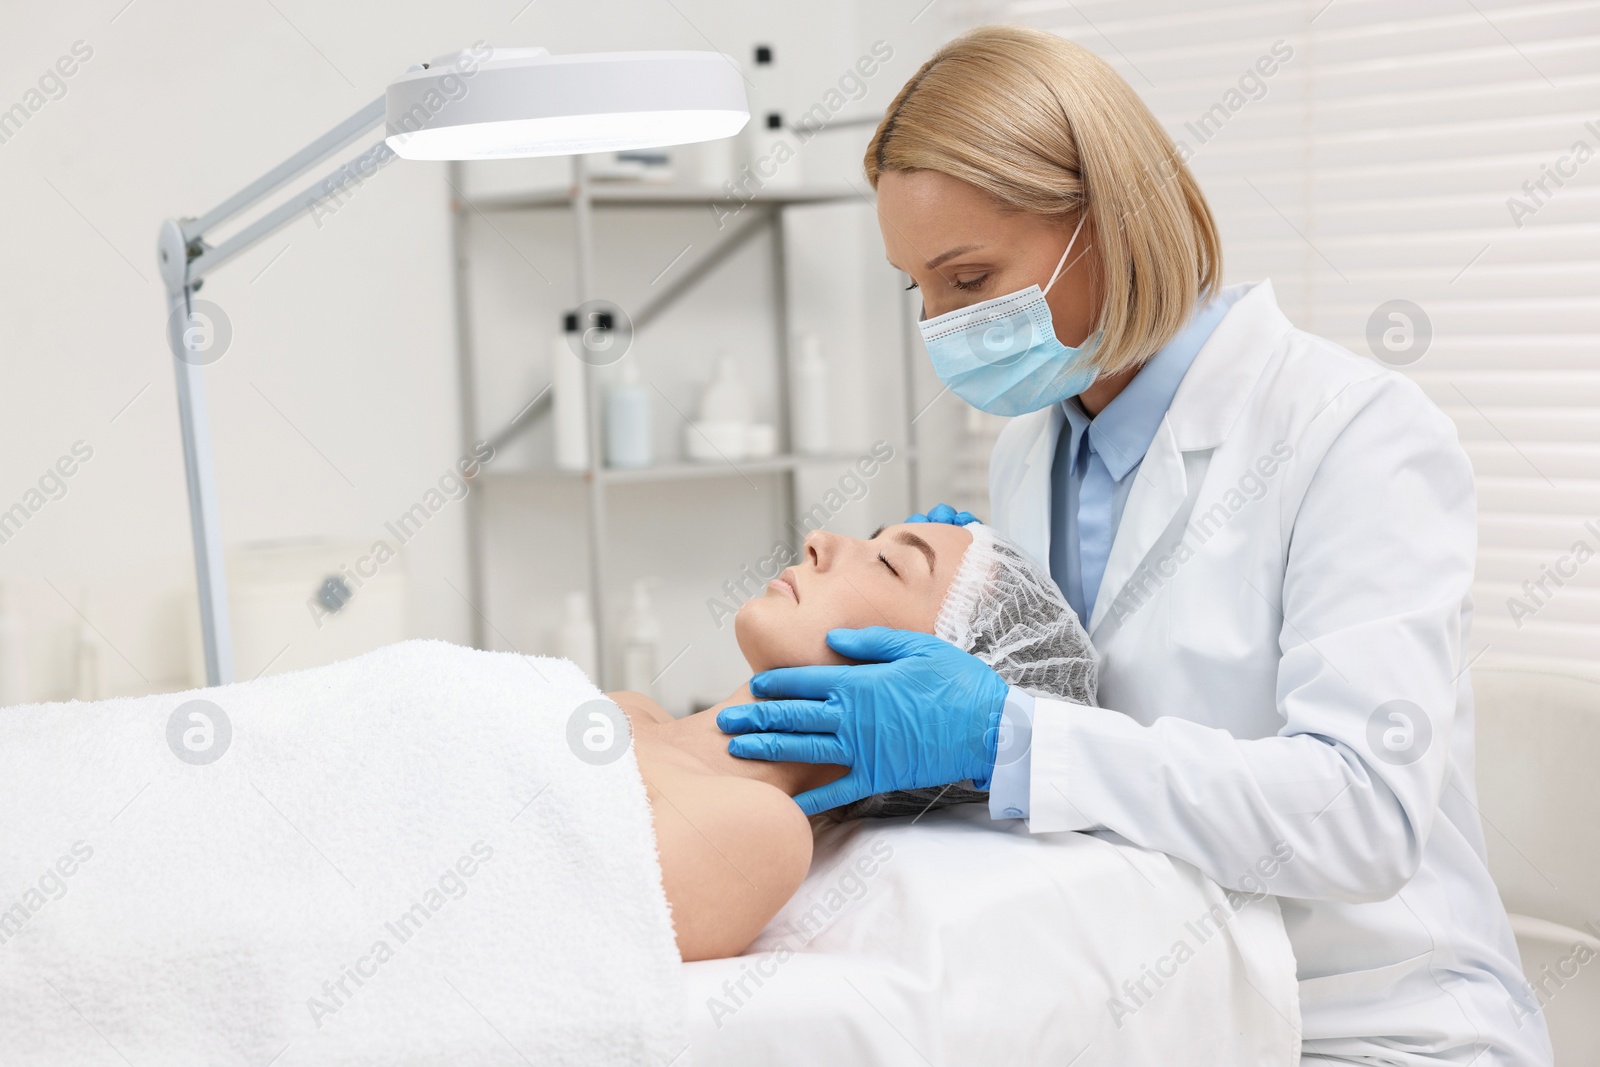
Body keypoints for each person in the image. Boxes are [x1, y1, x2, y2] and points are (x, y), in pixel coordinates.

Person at [713, 25, 1553, 1066]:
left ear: (1107, 221)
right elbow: (1084, 758)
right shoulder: (1032, 451)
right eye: (916, 286)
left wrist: (1006, 738)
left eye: (968, 279)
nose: (937, 325)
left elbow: (1361, 816)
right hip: (1170, 999)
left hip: (1369, 1018)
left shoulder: (1354, 433)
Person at [612, 520, 1093, 961]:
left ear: (922, 690)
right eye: (874, 539)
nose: (819, 539)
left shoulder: (759, 831)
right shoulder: (634, 708)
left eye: (889, 564)